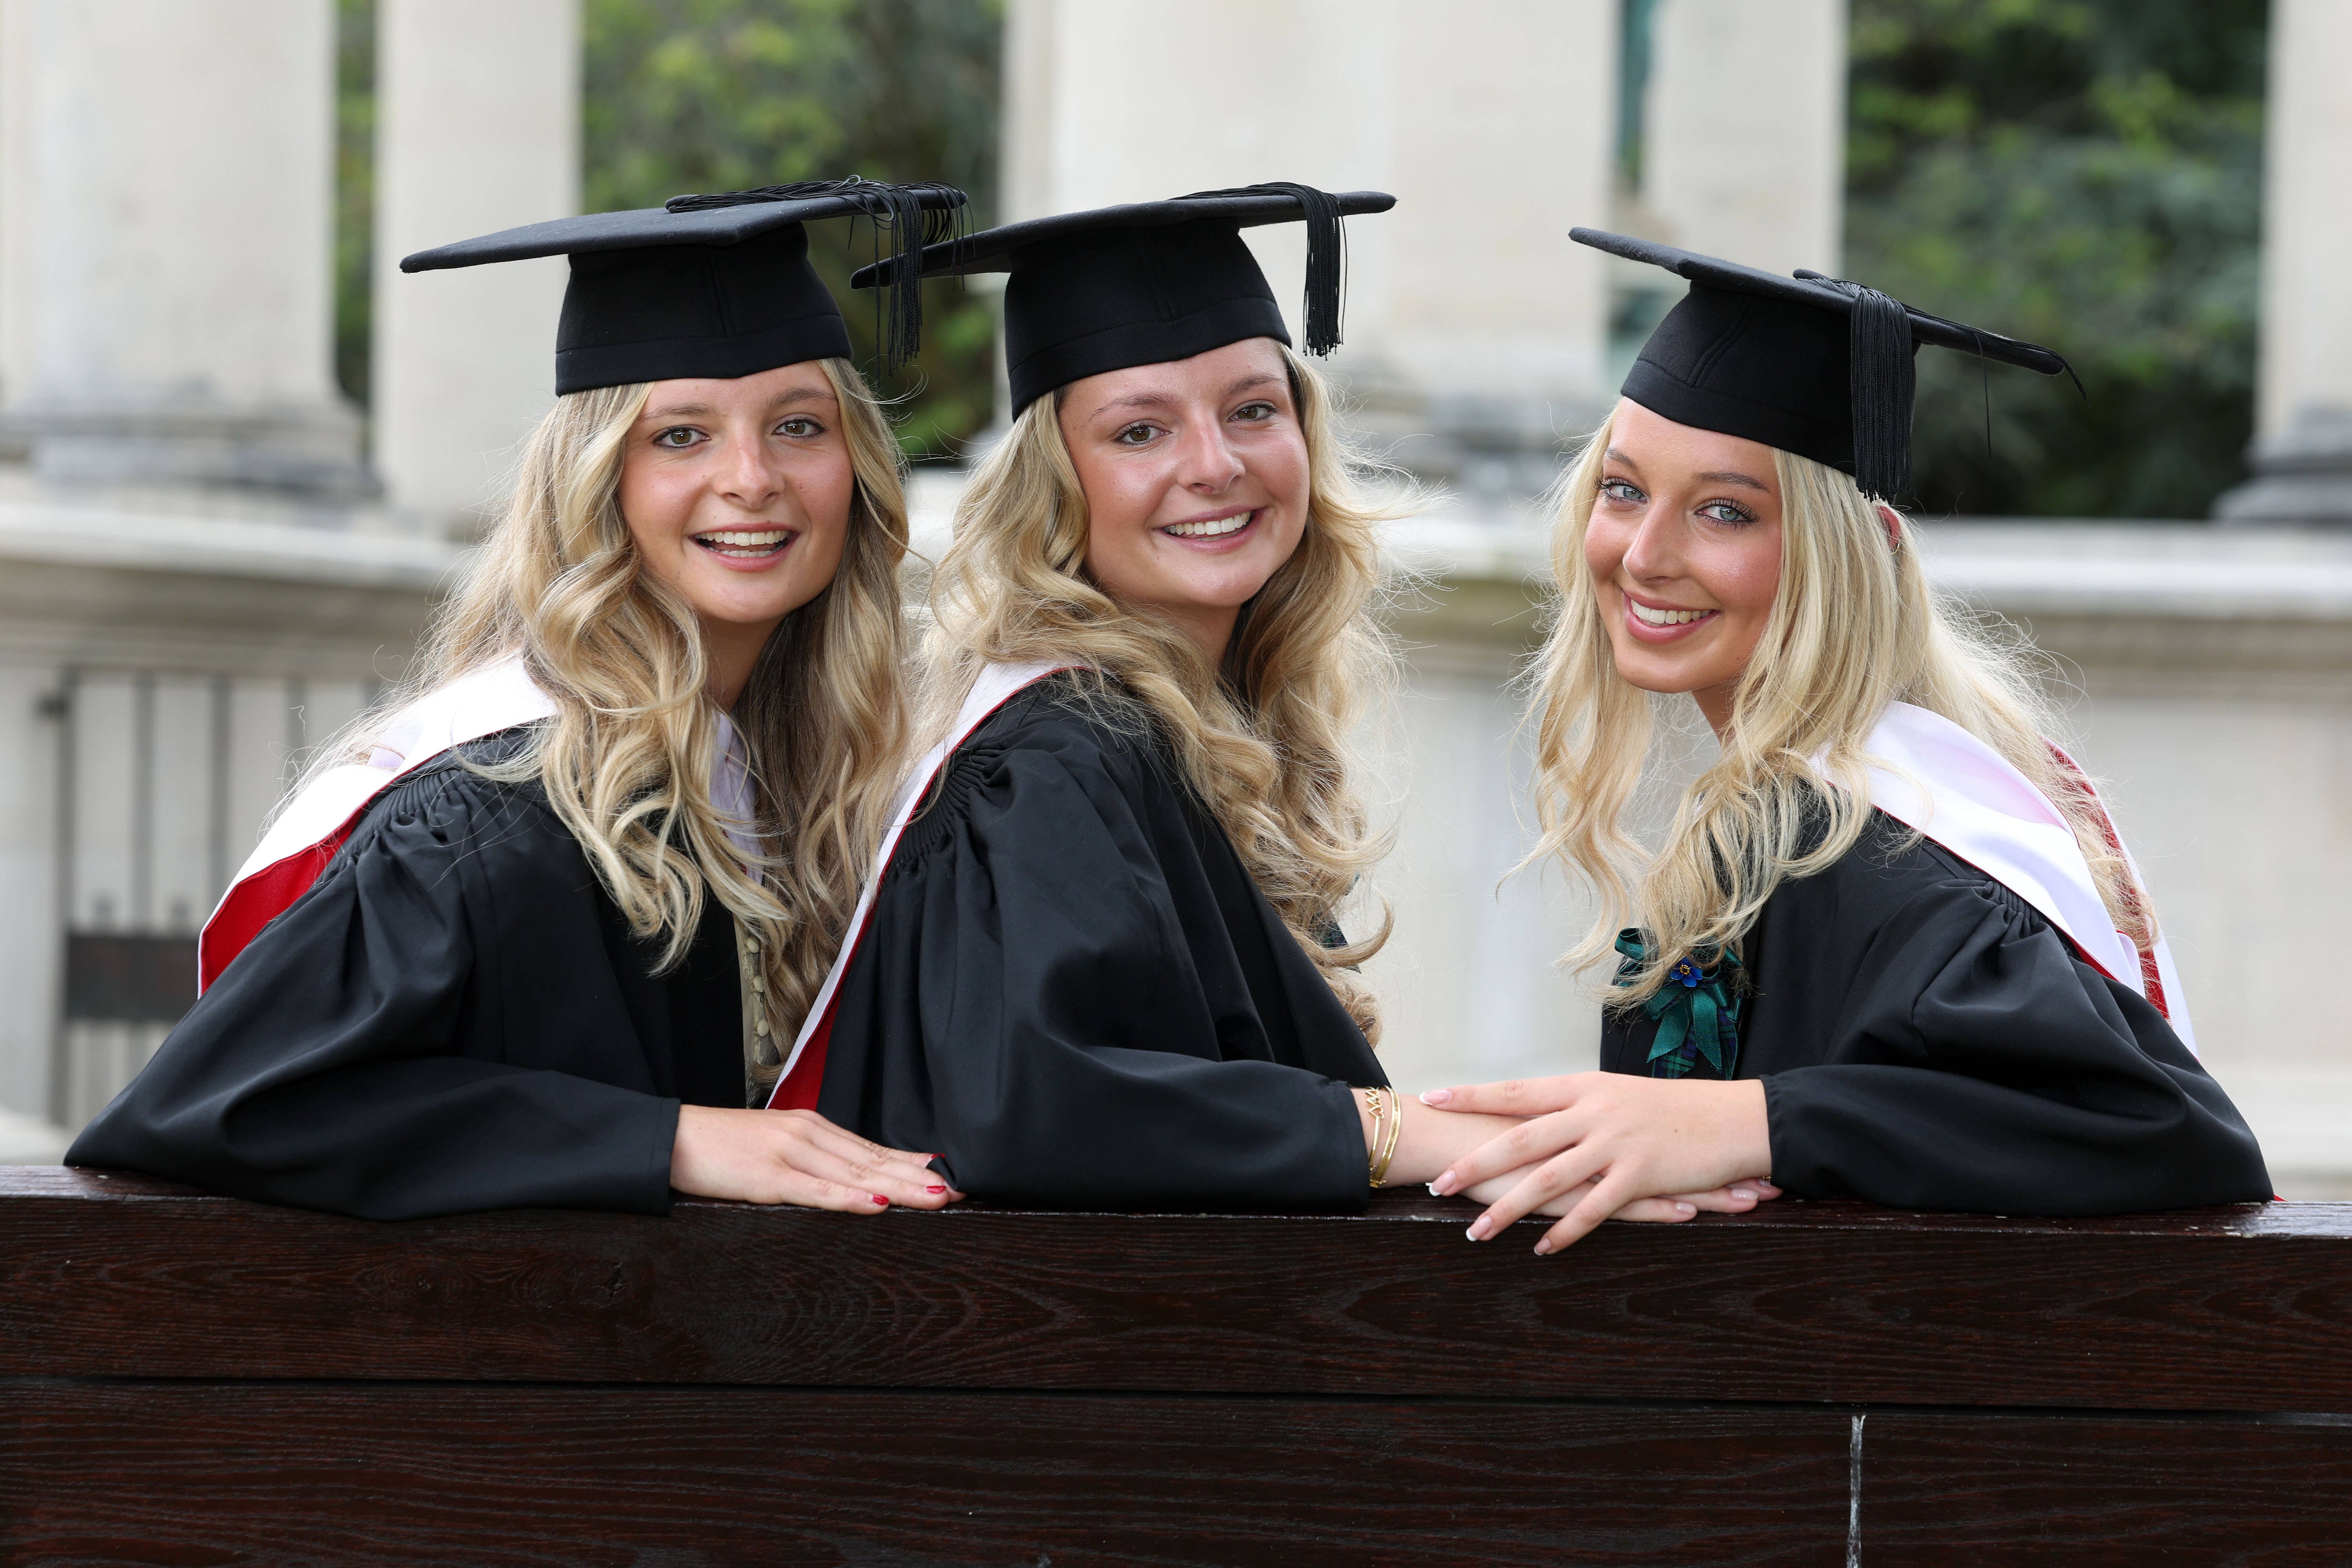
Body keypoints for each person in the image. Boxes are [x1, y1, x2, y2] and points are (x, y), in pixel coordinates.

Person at [756, 187, 1772, 1220]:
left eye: (1253, 410)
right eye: (1139, 431)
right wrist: (1419, 1136)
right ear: (1054, 486)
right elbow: (1046, 1102)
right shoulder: (1051, 759)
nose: (1216, 464)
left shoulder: (1196, 733)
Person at [67, 181, 969, 1222]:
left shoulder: (797, 776)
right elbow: (213, 1107)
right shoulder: (498, 810)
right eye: (680, 435)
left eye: (799, 426)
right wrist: (669, 1139)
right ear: (597, 485)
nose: (753, 478)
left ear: (854, 470)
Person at [1423, 230, 2271, 1252]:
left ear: (1849, 559)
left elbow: (2169, 1135)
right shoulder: (1792, 823)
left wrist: (1757, 1124)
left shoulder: (1886, 857)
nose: (1645, 555)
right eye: (1624, 489)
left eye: (1725, 512)